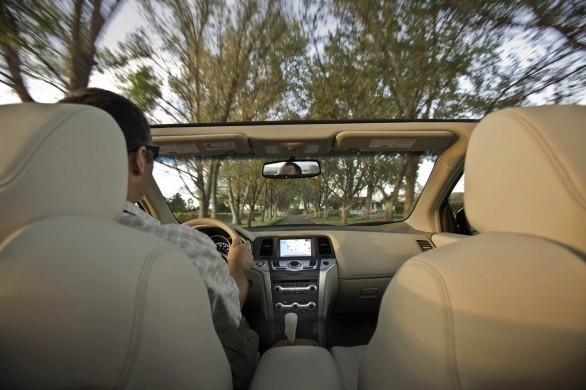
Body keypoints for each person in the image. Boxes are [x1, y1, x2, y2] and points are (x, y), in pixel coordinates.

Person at [60, 88, 258, 389]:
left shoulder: (15, 240)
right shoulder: (183, 245)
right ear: (140, 159)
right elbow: (231, 310)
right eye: (153, 154)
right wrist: (236, 267)